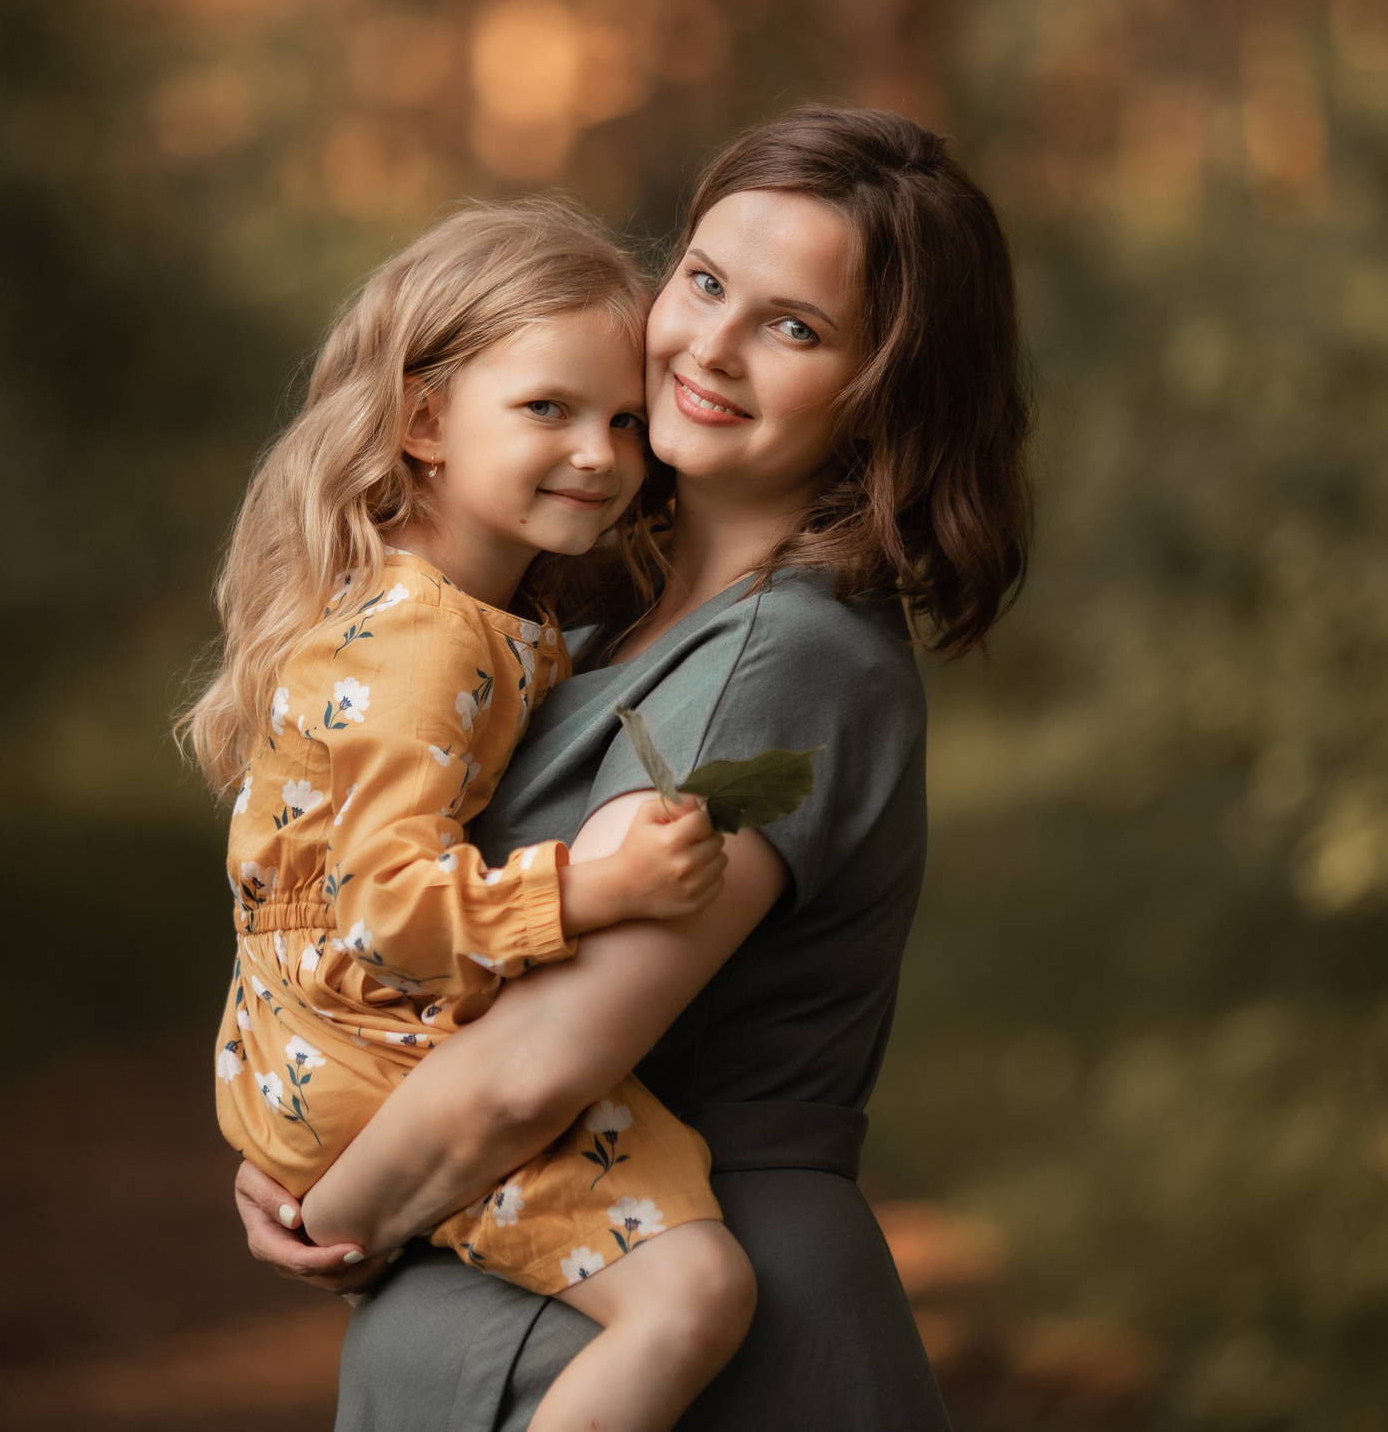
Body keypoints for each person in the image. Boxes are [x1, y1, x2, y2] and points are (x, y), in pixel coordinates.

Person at [235, 106, 1032, 1432]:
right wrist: (302, 1122)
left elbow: (536, 1060)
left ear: (882, 391)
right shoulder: (593, 623)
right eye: (707, 281)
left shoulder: (783, 658)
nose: (708, 344)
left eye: (794, 326)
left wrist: (334, 1203)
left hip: (720, 1358)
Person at [182, 199, 763, 1432]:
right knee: (692, 1296)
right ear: (423, 419)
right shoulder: (427, 643)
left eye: (621, 418)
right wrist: (598, 890)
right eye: (547, 410)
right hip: (367, 1049)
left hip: (309, 1049)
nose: (601, 455)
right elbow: (387, 911)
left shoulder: (455, 612)